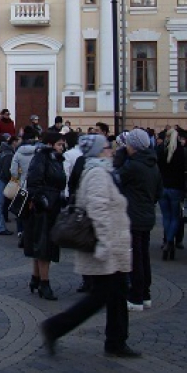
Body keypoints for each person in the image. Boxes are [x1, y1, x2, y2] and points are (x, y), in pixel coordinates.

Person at [40, 135, 139, 358]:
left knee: (116, 294)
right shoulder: (96, 174)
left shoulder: (103, 172)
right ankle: (55, 327)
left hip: (113, 245)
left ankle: (116, 341)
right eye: (107, 148)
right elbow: (98, 210)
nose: (111, 151)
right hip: (105, 246)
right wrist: (105, 243)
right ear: (97, 151)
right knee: (101, 296)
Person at [118, 128, 162, 311]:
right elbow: (159, 191)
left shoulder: (133, 165)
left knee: (134, 258)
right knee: (143, 255)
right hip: (147, 214)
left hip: (133, 215)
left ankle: (135, 297)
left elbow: (117, 179)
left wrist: (119, 158)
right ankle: (145, 294)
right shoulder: (153, 164)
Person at [24, 131, 66, 301]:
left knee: (41, 244)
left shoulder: (56, 159)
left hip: (53, 205)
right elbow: (33, 182)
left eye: (63, 144)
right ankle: (44, 283)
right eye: (59, 144)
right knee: (44, 247)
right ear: (50, 144)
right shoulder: (42, 158)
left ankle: (35, 278)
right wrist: (41, 200)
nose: (62, 147)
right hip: (43, 208)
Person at [156, 128, 186, 261]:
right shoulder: (180, 151)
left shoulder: (160, 150)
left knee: (166, 216)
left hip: (163, 186)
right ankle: (170, 241)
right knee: (175, 217)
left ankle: (167, 241)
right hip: (176, 187)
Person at [0, 135, 19, 235]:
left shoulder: (6, 151)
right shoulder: (9, 154)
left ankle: (0, 226)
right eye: (18, 141)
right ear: (14, 142)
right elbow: (7, 171)